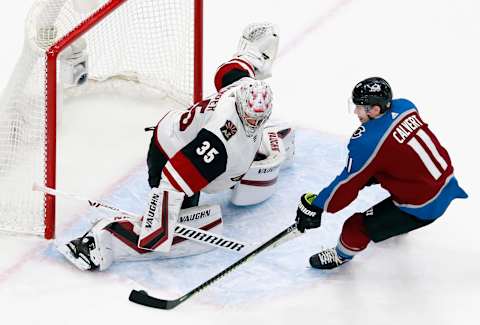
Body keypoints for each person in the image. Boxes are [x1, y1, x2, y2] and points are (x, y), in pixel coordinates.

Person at [58, 23, 288, 271]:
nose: (253, 124)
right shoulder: (220, 141)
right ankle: (101, 240)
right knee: (171, 234)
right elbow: (175, 177)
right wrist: (159, 225)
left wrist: (257, 49)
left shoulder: (240, 87)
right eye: (249, 118)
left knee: (255, 151)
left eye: (258, 119)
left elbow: (232, 69)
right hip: (168, 155)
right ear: (240, 105)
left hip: (186, 139)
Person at [294, 77, 468, 269]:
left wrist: (318, 206)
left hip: (424, 206)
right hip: (444, 181)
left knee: (354, 226)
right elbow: (401, 150)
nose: (356, 111)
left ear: (375, 110)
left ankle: (340, 255)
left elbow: (347, 185)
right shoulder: (405, 107)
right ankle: (397, 224)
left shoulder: (367, 142)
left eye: (360, 107)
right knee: (380, 173)